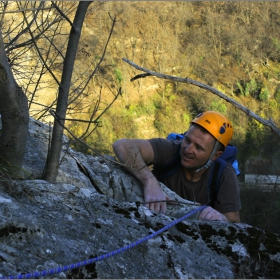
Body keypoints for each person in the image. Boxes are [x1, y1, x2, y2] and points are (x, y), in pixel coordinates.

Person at [112, 111, 241, 222]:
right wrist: (149, 181)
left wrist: (222, 219)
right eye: (187, 140)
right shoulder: (171, 150)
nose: (187, 149)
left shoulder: (223, 174)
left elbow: (235, 223)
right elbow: (122, 146)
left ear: (215, 155)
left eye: (198, 147)